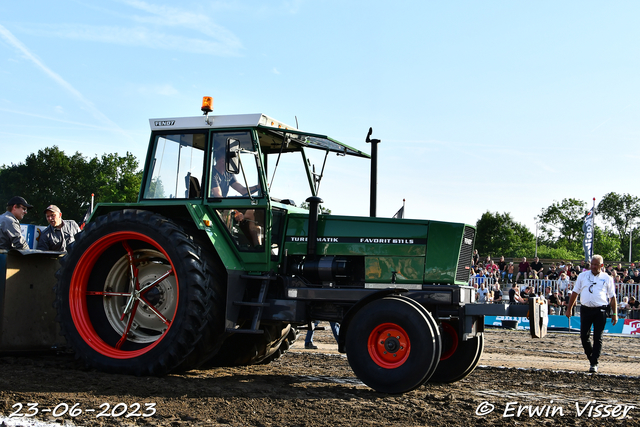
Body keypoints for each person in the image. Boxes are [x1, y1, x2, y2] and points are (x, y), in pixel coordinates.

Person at [565, 255, 618, 373]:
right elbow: (575, 293)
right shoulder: (582, 276)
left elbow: (612, 297)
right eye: (592, 264)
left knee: (598, 337)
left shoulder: (607, 278)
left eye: (596, 265)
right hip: (585, 310)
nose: (593, 267)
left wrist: (615, 313)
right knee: (584, 336)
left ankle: (594, 363)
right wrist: (569, 309)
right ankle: (591, 358)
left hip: (601, 310)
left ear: (601, 266)